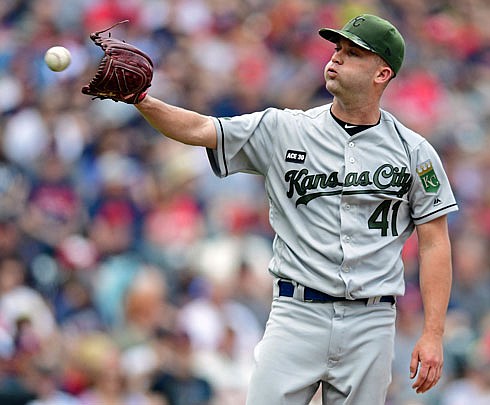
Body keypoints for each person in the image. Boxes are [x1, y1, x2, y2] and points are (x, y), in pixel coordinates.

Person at [87, 13, 459, 405]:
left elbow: (435, 243)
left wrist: (433, 333)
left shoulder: (415, 152)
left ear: (382, 74)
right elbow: (200, 129)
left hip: (372, 320)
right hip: (297, 312)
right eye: (337, 49)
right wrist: (143, 101)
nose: (335, 58)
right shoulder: (284, 129)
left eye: (352, 54)